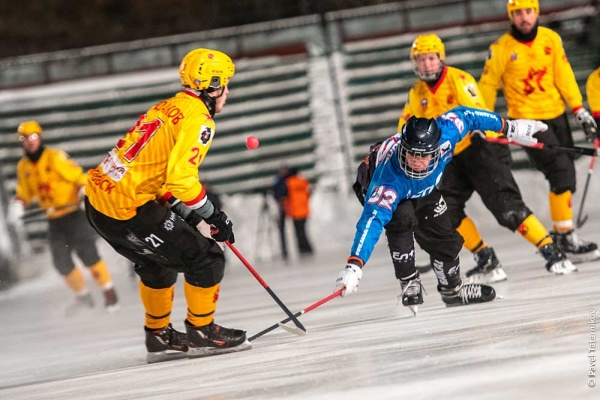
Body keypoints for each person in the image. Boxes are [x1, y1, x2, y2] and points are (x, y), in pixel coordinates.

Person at [84, 48, 250, 363]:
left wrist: (190, 214)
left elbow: (153, 173)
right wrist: (212, 215)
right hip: (126, 207)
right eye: (226, 84)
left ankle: (158, 336)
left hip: (97, 202)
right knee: (207, 257)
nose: (227, 92)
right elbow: (181, 179)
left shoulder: (166, 106)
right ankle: (201, 332)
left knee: (156, 265)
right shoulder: (199, 120)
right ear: (212, 86)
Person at [397, 33, 576, 284]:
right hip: (446, 162)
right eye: (421, 59)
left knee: (506, 206)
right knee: (445, 212)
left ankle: (551, 250)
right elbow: (404, 127)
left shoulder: (459, 79)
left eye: (431, 58)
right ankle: (485, 258)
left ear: (440, 58)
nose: (426, 64)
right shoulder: (416, 94)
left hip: (476, 150)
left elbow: (477, 109)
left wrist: (482, 130)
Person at [335, 106, 549, 315]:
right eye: (411, 155)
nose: (416, 163)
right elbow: (371, 222)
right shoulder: (387, 182)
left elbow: (468, 115)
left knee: (445, 234)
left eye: (423, 156)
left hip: (422, 188)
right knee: (401, 216)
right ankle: (409, 280)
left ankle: (453, 290)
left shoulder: (447, 134)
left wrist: (509, 128)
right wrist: (354, 265)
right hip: (380, 182)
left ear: (437, 150)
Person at [478, 0, 600, 264]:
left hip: (556, 114)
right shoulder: (500, 49)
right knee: (561, 172)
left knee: (565, 176)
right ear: (511, 15)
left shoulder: (551, 39)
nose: (524, 17)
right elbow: (487, 85)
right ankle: (566, 236)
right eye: (518, 13)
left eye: (528, 11)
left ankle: (561, 233)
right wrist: (484, 120)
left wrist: (579, 109)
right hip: (527, 122)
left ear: (536, 12)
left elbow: (563, 74)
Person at [7, 120, 119, 315]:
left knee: (88, 255)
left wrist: (83, 191)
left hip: (72, 214)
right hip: (54, 218)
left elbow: (78, 177)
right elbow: (24, 192)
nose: (30, 142)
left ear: (39, 137)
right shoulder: (23, 166)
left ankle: (108, 290)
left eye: (33, 137)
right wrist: (18, 205)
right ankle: (83, 295)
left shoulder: (55, 158)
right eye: (25, 138)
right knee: (61, 260)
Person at [284, 167, 314, 256]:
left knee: (298, 232)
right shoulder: (303, 181)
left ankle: (303, 248)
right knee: (303, 231)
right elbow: (309, 193)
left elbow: (286, 195)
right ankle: (307, 247)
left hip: (295, 211)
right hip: (304, 209)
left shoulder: (288, 182)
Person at [271, 166, 290, 260]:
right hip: (281, 208)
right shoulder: (278, 181)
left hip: (289, 207)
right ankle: (284, 250)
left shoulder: (286, 180)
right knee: (281, 230)